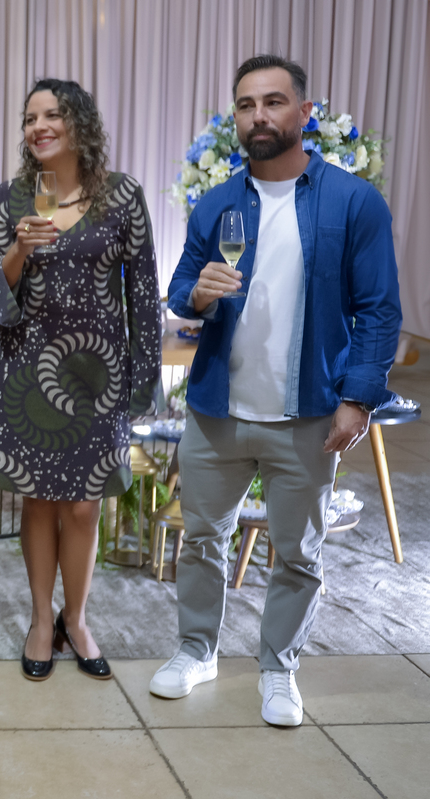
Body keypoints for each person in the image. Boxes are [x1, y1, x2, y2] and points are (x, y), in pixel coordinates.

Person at [150, 55, 401, 726]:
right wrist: (197, 296)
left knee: (297, 554)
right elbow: (180, 289)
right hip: (217, 411)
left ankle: (278, 668)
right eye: (245, 105)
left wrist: (358, 399)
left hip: (308, 413)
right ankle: (196, 650)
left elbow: (379, 311)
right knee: (202, 540)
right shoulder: (217, 204)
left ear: (304, 113)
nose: (258, 115)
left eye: (272, 101)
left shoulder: (354, 203)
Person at [0, 79, 161, 682]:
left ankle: (76, 619)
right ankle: (40, 619)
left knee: (83, 507)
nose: (39, 126)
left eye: (52, 114)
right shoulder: (11, 199)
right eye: (30, 117)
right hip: (27, 373)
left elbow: (143, 294)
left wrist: (142, 382)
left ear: (79, 123)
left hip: (97, 376)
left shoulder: (122, 195)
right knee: (37, 499)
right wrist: (18, 251)